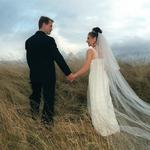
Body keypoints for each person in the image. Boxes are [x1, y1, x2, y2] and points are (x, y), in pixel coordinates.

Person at [70, 27, 150, 148]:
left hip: (96, 79)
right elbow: (107, 67)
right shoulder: (103, 51)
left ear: (94, 38)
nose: (86, 41)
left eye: (88, 38)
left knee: (97, 101)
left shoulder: (90, 51)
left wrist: (74, 75)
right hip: (103, 79)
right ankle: (110, 124)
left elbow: (86, 68)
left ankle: (102, 126)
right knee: (104, 100)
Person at [25, 16, 74, 126]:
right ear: (44, 24)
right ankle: (46, 124)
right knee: (48, 99)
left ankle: (34, 119)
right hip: (48, 76)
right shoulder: (49, 40)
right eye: (50, 26)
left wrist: (34, 70)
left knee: (35, 97)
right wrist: (68, 73)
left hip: (34, 75)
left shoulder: (28, 41)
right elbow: (58, 57)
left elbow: (29, 60)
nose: (51, 28)